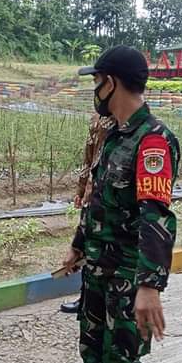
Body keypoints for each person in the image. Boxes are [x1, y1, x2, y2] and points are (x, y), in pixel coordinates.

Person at [51, 46, 182, 363]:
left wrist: (150, 286)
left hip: (129, 278)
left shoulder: (151, 140)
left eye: (96, 80)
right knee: (94, 358)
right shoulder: (111, 135)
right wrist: (79, 244)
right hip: (98, 270)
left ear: (111, 82)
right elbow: (98, 200)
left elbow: (157, 214)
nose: (93, 89)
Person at [59, 112, 115, 314]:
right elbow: (89, 155)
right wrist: (82, 187)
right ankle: (85, 297)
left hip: (107, 191)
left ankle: (97, 300)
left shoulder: (119, 119)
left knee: (100, 245)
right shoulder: (96, 118)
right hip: (93, 189)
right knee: (88, 241)